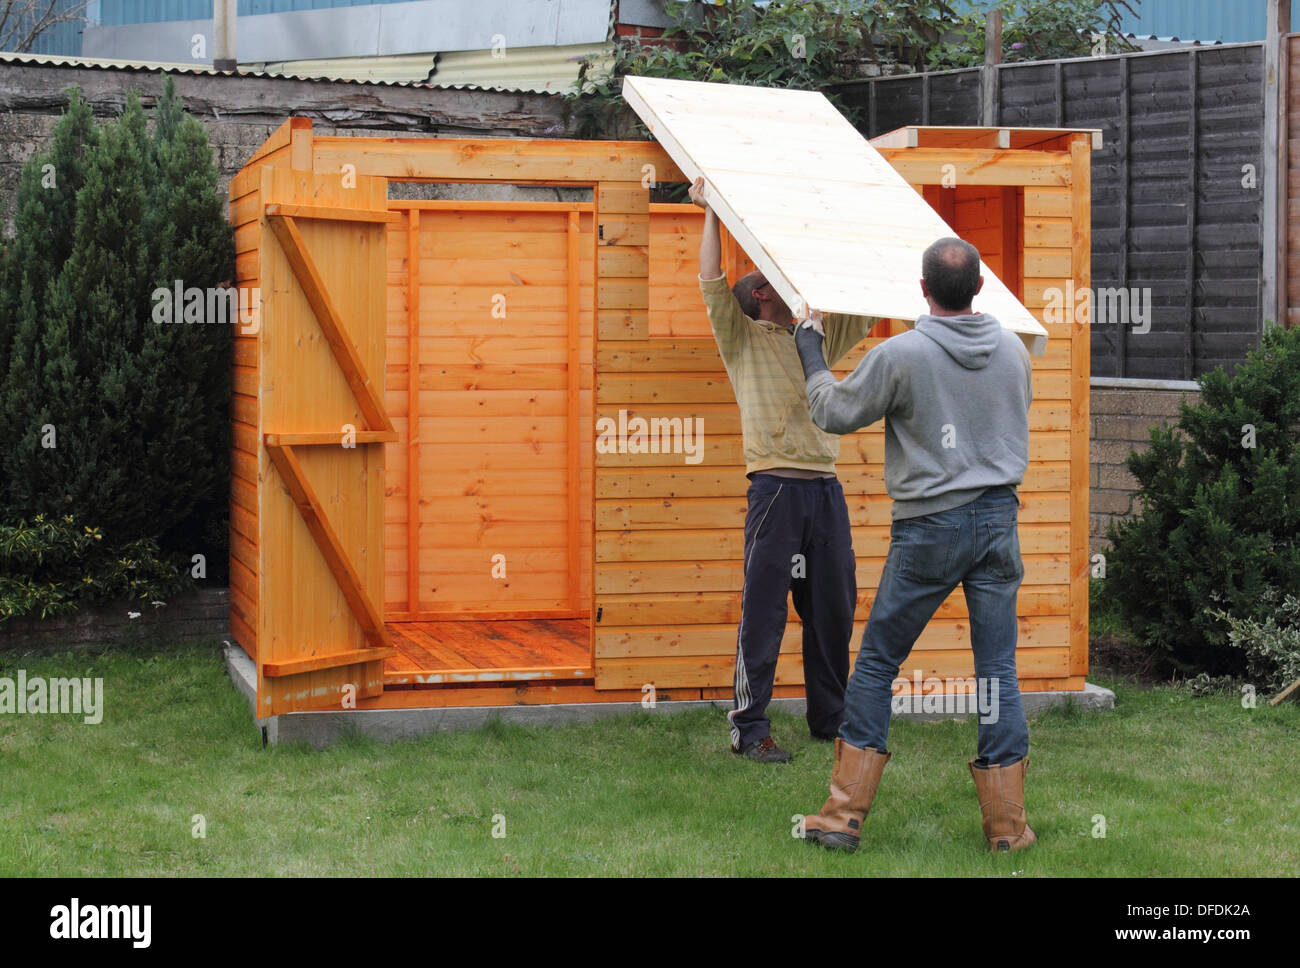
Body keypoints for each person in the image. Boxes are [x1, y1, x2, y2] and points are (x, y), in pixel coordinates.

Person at [791, 237, 1036, 852]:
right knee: (998, 672)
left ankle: (844, 817)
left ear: (921, 291)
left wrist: (810, 346)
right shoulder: (1014, 350)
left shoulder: (901, 354)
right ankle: (1008, 830)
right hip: (1000, 521)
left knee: (876, 664)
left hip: (931, 526)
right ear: (980, 287)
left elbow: (831, 412)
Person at [689, 176, 877, 764]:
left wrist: (844, 225)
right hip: (774, 490)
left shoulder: (812, 337)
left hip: (824, 492)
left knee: (833, 611)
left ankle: (831, 719)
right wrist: (711, 212)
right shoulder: (741, 339)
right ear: (761, 296)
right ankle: (750, 728)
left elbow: (865, 302)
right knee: (765, 612)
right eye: (774, 278)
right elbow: (711, 281)